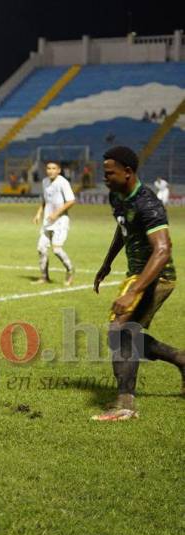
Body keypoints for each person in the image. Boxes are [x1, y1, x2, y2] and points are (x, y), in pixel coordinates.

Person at [92, 146, 184, 421]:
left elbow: (162, 249)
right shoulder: (117, 196)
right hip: (137, 273)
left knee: (119, 331)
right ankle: (179, 358)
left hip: (158, 276)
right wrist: (107, 262)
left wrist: (133, 291)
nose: (105, 177)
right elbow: (124, 229)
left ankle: (125, 405)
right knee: (124, 335)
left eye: (110, 173)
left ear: (128, 172)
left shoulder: (148, 203)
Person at [32, 160, 75, 285]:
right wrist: (39, 213)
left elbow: (71, 201)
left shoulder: (63, 182)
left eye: (54, 168)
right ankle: (44, 277)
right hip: (47, 221)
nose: (51, 171)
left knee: (56, 250)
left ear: (59, 170)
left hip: (61, 221)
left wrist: (56, 214)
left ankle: (70, 270)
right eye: (49, 168)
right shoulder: (45, 182)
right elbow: (45, 200)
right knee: (41, 248)